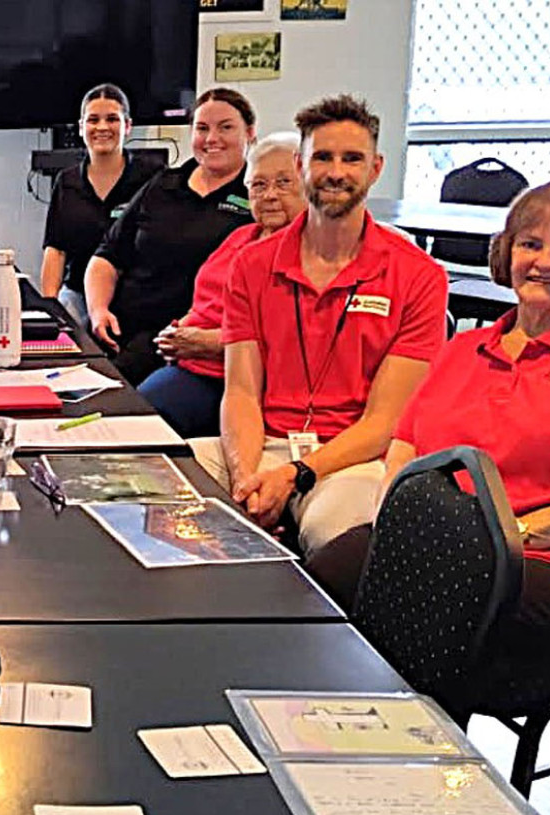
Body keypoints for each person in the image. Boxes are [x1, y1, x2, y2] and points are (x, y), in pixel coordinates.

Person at [307, 180, 550, 717]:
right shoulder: (463, 350)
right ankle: (323, 732)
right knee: (325, 574)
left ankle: (424, 766)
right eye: (530, 244)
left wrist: (505, 539)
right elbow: (405, 448)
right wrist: (397, 525)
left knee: (439, 603)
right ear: (507, 253)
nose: (545, 262)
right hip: (444, 549)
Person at [191, 94, 448, 557]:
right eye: (322, 157)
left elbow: (384, 423)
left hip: (351, 458)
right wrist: (246, 477)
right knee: (156, 495)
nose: (335, 172)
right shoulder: (250, 264)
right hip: (260, 446)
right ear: (301, 164)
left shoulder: (419, 276)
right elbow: (242, 393)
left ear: (375, 168)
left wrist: (295, 475)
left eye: (352, 159)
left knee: (337, 536)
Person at [137, 132, 308, 438]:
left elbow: (284, 337)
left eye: (284, 183)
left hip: (234, 378)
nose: (269, 195)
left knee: (144, 422)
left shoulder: (308, 250)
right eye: (258, 184)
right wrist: (180, 330)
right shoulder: (242, 236)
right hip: (190, 360)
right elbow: (205, 298)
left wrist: (203, 342)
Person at [84, 88, 257, 385]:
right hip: (116, 326)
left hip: (175, 340)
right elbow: (107, 255)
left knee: (99, 395)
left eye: (225, 127)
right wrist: (98, 311)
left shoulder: (255, 199)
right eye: (202, 128)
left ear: (250, 133)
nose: (212, 138)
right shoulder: (164, 183)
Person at [40, 84, 164, 329]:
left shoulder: (153, 178)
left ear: (127, 126)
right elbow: (55, 251)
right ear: (81, 127)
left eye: (112, 119)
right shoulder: (67, 182)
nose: (102, 127)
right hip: (76, 294)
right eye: (93, 120)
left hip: (133, 296)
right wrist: (50, 308)